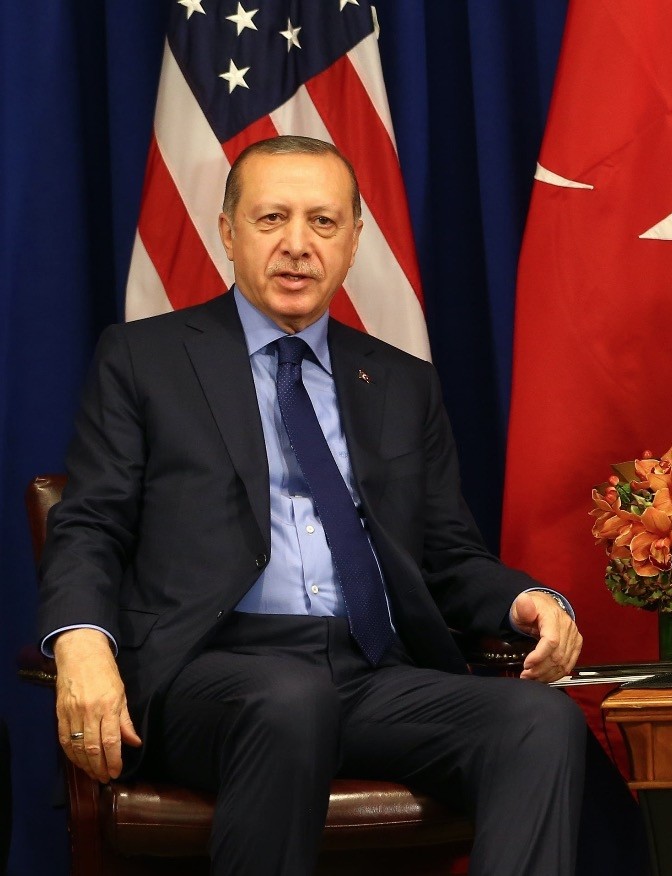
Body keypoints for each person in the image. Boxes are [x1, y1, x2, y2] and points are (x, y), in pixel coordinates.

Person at [36, 135, 587, 876]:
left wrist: (526, 599)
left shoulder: (401, 382)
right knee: (290, 697)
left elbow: (449, 555)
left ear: (354, 240)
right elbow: (90, 523)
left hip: (367, 673)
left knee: (537, 719)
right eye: (272, 219)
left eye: (323, 222)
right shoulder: (145, 359)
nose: (297, 245)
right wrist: (79, 641)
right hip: (210, 673)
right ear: (228, 232)